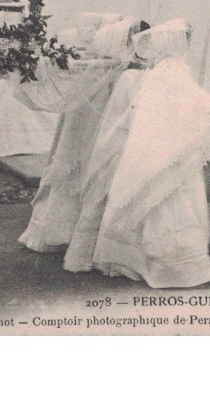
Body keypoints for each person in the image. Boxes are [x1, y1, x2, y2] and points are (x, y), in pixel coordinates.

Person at [92, 18, 210, 288]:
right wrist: (208, 108)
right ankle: (180, 270)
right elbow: (194, 106)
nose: (187, 44)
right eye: (184, 38)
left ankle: (153, 263)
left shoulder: (159, 69)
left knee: (158, 203)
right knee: (173, 205)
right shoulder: (172, 70)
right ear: (174, 42)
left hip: (157, 146)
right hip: (169, 147)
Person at [18, 15, 140, 253]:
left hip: (105, 115)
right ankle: (67, 232)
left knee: (101, 162)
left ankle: (96, 236)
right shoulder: (92, 66)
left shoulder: (116, 68)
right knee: (75, 161)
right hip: (86, 116)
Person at [61, 19, 151, 272]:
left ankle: (121, 250)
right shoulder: (125, 76)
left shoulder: (137, 74)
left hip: (132, 136)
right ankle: (103, 252)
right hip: (119, 136)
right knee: (108, 190)